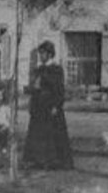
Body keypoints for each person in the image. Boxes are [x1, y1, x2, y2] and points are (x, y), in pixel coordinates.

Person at [23, 40, 73, 170]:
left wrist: (57, 105)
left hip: (51, 106)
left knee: (53, 134)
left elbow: (59, 89)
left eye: (43, 53)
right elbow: (35, 87)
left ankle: (54, 161)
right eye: (40, 53)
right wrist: (32, 97)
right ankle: (38, 160)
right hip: (39, 107)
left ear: (50, 54)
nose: (41, 55)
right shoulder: (39, 69)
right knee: (38, 133)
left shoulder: (56, 69)